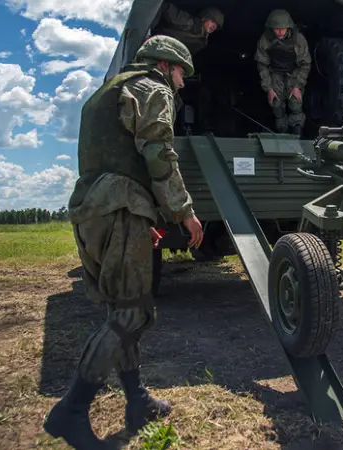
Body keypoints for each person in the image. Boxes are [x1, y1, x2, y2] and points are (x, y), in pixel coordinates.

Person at [43, 35, 204, 449]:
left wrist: (140, 215)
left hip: (95, 207)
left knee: (123, 309)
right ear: (166, 65)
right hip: (120, 208)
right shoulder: (152, 89)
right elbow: (158, 154)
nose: (182, 83)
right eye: (182, 72)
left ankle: (136, 401)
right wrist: (183, 211)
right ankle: (71, 411)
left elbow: (116, 157)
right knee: (130, 314)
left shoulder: (103, 94)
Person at [255, 9, 311, 136]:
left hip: (294, 73)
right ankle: (282, 133)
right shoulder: (265, 40)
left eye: (283, 28)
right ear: (271, 28)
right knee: (276, 104)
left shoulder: (298, 39)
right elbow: (262, 65)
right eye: (276, 28)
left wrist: (297, 86)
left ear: (289, 27)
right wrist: (268, 88)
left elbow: (305, 64)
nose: (280, 31)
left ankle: (297, 134)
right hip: (275, 74)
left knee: (296, 103)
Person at [152, 4, 224, 55]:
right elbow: (165, 7)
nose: (214, 26)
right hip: (155, 44)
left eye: (216, 26)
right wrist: (149, 29)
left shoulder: (202, 43)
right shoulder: (188, 23)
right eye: (212, 22)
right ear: (204, 18)